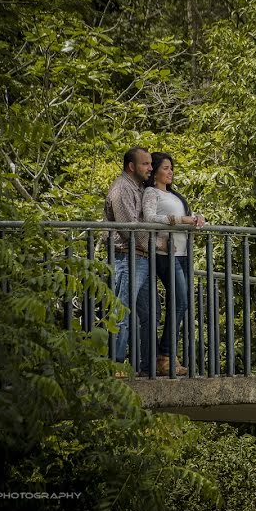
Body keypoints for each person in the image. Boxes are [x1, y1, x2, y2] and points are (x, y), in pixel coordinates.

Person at [142, 152, 206, 376]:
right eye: (166, 168)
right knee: (180, 301)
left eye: (171, 168)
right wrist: (181, 220)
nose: (170, 172)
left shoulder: (174, 195)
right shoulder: (151, 192)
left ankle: (168, 356)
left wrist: (196, 218)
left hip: (183, 253)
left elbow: (182, 218)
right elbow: (149, 218)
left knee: (182, 302)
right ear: (156, 171)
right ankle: (164, 356)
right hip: (164, 253)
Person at [104, 147, 152, 372]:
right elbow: (129, 229)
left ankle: (145, 366)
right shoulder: (122, 188)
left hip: (140, 258)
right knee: (121, 313)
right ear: (131, 166)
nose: (150, 168)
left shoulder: (138, 188)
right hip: (127, 257)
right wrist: (157, 245)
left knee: (148, 313)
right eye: (145, 164)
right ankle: (116, 366)